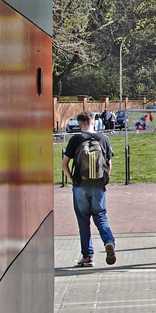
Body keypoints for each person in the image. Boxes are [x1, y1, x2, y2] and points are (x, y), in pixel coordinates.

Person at [64, 111, 116, 268]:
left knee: (83, 221)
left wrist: (72, 179)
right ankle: (108, 242)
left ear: (80, 124)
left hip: (80, 185)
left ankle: (87, 256)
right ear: (93, 122)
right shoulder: (103, 139)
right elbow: (108, 164)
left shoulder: (76, 139)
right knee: (100, 216)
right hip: (98, 185)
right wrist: (103, 181)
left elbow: (64, 164)